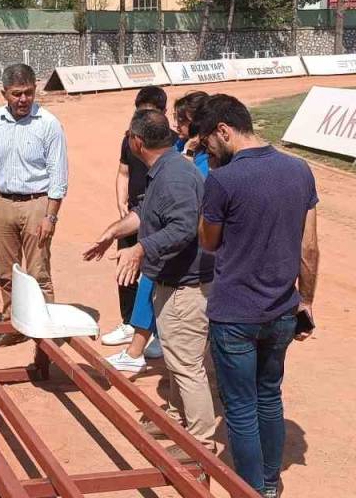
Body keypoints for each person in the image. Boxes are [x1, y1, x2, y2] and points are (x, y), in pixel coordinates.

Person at [193, 94, 320, 498]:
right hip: (283, 309)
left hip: (234, 313)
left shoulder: (223, 180)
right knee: (270, 397)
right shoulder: (300, 171)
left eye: (209, 142)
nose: (208, 150)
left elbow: (208, 242)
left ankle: (248, 490)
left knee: (241, 409)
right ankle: (269, 485)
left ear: (224, 131)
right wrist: (307, 301)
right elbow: (310, 248)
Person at [83, 110, 217, 455]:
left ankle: (200, 443)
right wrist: (114, 231)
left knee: (187, 366)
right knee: (174, 356)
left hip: (187, 287)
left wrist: (142, 248)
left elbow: (183, 228)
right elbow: (145, 213)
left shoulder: (173, 176)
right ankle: (174, 416)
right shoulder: (166, 169)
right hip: (171, 282)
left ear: (136, 142)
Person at [0, 63, 68, 348]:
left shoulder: (49, 124)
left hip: (37, 205)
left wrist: (50, 217)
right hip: (3, 203)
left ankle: (45, 330)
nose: (23, 100)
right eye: (16, 94)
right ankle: (13, 325)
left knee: (39, 271)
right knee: (7, 273)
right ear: (4, 93)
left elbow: (58, 175)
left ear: (35, 90)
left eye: (28, 93)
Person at [102, 85, 168, 353]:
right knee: (125, 269)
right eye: (139, 114)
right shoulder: (128, 140)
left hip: (159, 218)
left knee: (159, 275)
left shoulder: (173, 143)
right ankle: (129, 323)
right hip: (132, 216)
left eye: (149, 115)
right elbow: (123, 172)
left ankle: (159, 333)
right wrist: (120, 202)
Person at [173, 91, 211, 176]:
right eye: (175, 118)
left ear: (198, 123)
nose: (175, 125)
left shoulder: (210, 158)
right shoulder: (181, 142)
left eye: (181, 121)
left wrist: (189, 151)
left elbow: (184, 181)